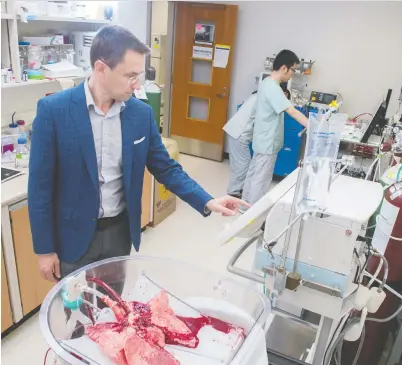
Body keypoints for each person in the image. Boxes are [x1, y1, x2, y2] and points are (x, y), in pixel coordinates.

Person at [28, 25, 247, 285]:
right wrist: (44, 250)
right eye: (130, 75)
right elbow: (40, 188)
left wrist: (207, 200)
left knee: (113, 309)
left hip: (119, 232)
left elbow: (166, 168)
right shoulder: (54, 111)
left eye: (139, 75)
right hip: (72, 236)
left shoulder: (139, 114)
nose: (138, 84)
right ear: (100, 68)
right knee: (76, 315)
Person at [242, 50, 309, 205]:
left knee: (254, 174)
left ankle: (245, 206)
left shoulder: (266, 83)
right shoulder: (272, 87)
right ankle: (252, 213)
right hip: (268, 141)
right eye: (293, 69)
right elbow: (291, 110)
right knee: (261, 178)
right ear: (284, 68)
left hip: (262, 138)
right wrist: (315, 126)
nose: (293, 73)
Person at [224, 91, 257, 198]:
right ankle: (233, 191)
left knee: (237, 163)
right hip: (240, 134)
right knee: (244, 164)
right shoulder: (262, 100)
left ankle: (238, 187)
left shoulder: (254, 95)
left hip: (233, 129)